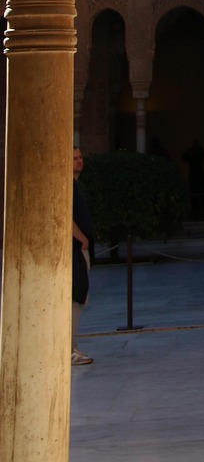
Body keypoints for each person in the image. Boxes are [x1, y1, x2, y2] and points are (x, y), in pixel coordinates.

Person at [71, 146, 95, 366]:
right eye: (74, 159)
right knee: (75, 299)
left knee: (79, 298)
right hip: (75, 250)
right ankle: (69, 349)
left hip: (79, 250)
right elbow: (66, 218)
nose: (79, 161)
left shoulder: (76, 186)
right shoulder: (67, 187)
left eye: (80, 157)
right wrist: (82, 239)